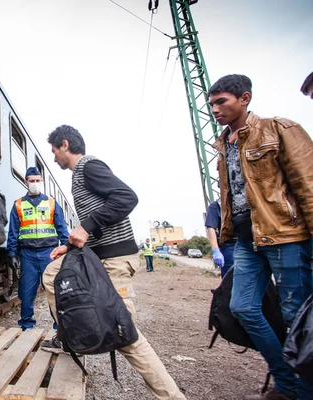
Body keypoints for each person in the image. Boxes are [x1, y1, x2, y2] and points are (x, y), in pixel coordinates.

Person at [41, 125, 186, 400]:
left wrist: (86, 227)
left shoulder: (88, 166)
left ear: (64, 145)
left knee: (126, 335)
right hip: (99, 255)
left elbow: (126, 197)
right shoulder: (77, 176)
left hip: (117, 257)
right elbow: (94, 227)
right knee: (52, 275)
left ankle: (173, 397)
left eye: (54, 152)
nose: (53, 158)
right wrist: (69, 245)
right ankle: (70, 335)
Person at [209, 74, 313, 400]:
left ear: (244, 98)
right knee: (242, 308)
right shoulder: (223, 145)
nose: (214, 109)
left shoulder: (280, 129)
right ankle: (287, 382)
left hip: (285, 236)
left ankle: (300, 391)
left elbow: (307, 185)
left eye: (221, 101)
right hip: (245, 240)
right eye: (211, 103)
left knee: (296, 318)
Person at [6, 167, 69, 331]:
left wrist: (69, 247)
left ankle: (59, 325)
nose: (34, 183)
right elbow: (13, 231)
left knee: (53, 290)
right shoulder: (18, 204)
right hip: (27, 255)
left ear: (41, 181)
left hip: (49, 253)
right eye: (31, 181)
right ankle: (26, 325)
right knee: (27, 291)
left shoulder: (51, 202)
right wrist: (11, 252)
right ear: (26, 182)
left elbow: (61, 228)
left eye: (37, 181)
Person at [204, 199, 235, 277]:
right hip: (230, 245)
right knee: (230, 280)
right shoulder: (217, 205)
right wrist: (215, 250)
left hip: (252, 243)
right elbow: (211, 227)